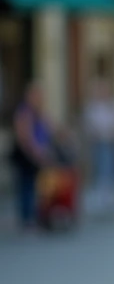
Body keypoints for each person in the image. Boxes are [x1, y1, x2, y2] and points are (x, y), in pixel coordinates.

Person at [8, 83, 53, 230]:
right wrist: (36, 153)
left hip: (36, 153)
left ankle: (32, 216)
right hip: (26, 155)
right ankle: (26, 219)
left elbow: (49, 129)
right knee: (26, 186)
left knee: (35, 187)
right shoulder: (25, 112)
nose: (40, 99)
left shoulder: (38, 113)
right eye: (37, 96)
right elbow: (24, 137)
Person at [84, 80, 114, 210]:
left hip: (111, 141)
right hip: (98, 142)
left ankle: (110, 191)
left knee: (111, 165)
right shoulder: (93, 107)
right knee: (99, 165)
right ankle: (100, 192)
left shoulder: (113, 105)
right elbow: (90, 124)